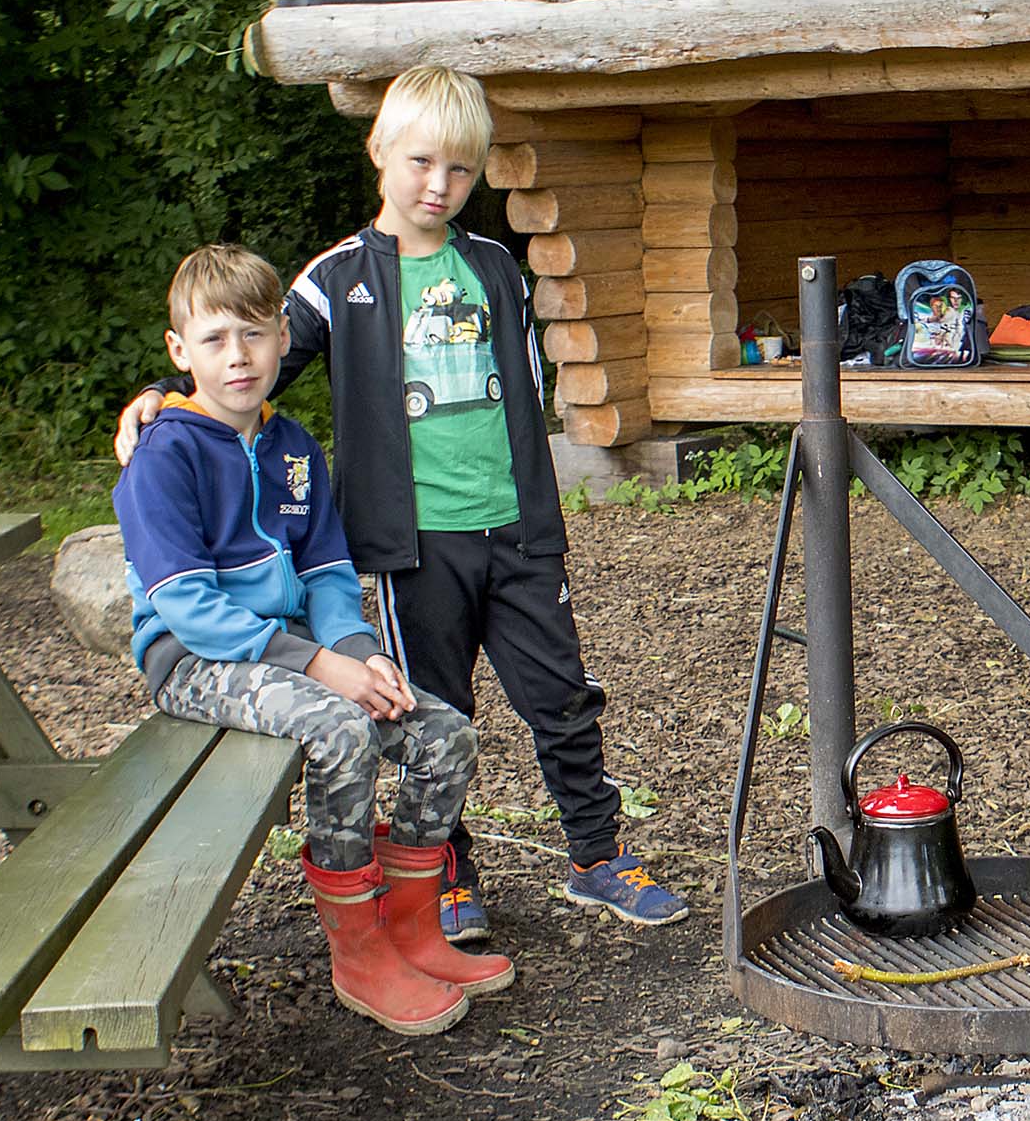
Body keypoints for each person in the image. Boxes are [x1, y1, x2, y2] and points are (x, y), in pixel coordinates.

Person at [115, 66, 686, 940]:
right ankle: (448, 871)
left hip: (518, 531)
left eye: (460, 170)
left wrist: (540, 508)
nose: (439, 186)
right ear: (379, 153)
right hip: (411, 547)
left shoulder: (494, 267)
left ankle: (597, 856)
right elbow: (251, 362)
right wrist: (160, 393)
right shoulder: (338, 277)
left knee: (562, 696)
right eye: (421, 162)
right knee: (433, 707)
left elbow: (523, 394)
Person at [114, 244, 510, 1036]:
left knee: (443, 735)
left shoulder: (294, 445)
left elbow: (328, 574)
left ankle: (413, 927)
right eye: (217, 338)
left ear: (279, 339)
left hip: (294, 648)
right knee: (339, 727)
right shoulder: (165, 455)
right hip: (194, 658)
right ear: (178, 350)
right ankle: (357, 947)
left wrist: (361, 654)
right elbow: (187, 606)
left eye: (256, 335)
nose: (239, 357)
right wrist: (320, 666)